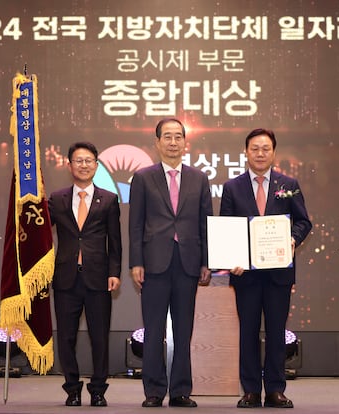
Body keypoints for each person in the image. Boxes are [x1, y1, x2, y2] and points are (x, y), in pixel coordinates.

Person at [220, 128, 312, 409]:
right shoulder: (232, 187)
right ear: (246, 152)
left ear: (273, 152)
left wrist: (292, 239)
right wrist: (231, 258)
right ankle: (250, 390)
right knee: (247, 332)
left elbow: (303, 221)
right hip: (245, 274)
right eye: (255, 149)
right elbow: (227, 227)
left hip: (278, 273)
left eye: (265, 149)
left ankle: (275, 390)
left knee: (276, 332)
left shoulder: (289, 184)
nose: (260, 154)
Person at [129, 118, 213, 408]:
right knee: (153, 330)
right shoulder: (143, 178)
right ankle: (153, 391)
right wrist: (136, 262)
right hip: (154, 262)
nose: (173, 142)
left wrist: (207, 261)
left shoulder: (199, 178)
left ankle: (180, 391)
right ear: (157, 142)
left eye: (178, 137)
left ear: (185, 143)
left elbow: (205, 223)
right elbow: (135, 224)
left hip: (188, 262)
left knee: (183, 329)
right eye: (167, 137)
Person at [48, 141, 122, 407]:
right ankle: (72, 389)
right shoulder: (56, 199)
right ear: (70, 165)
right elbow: (41, 235)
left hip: (98, 278)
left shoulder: (109, 199)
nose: (83, 165)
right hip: (65, 279)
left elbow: (115, 242)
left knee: (99, 337)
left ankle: (99, 390)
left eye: (88, 160)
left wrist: (114, 272)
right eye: (78, 161)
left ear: (96, 165)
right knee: (66, 337)